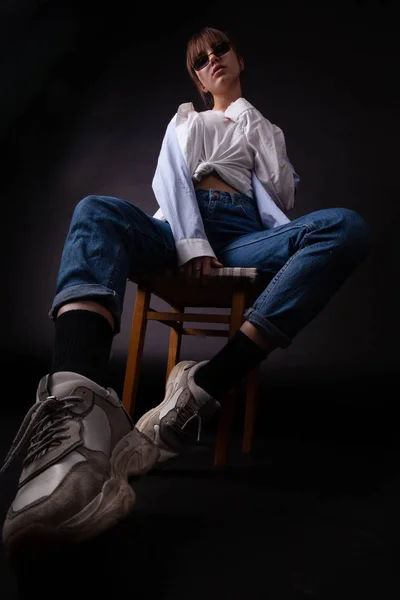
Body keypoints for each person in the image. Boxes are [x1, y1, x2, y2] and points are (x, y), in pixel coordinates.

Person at [1, 26, 371, 557]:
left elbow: (283, 192)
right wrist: (193, 243)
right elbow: (171, 181)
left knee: (346, 228)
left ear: (239, 58)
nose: (212, 60)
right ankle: (72, 427)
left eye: (221, 51)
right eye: (201, 60)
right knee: (95, 211)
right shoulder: (186, 120)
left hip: (246, 237)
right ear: (196, 79)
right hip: (178, 226)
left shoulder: (263, 127)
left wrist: (245, 115)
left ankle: (201, 390)